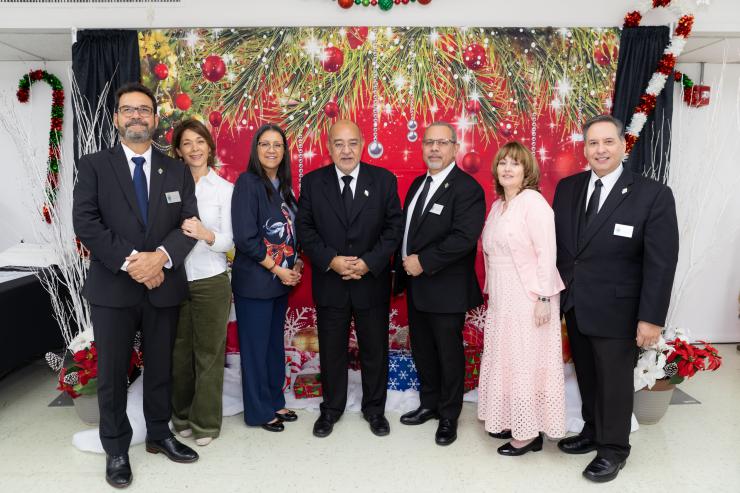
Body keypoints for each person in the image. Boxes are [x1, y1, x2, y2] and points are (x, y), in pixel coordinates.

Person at [73, 82, 199, 489]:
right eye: (128, 109)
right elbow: (86, 223)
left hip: (164, 285)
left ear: (155, 119)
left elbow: (189, 224)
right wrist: (134, 262)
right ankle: (116, 448)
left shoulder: (176, 169)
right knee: (112, 373)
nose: (137, 116)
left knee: (161, 367)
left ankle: (159, 433)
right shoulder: (94, 166)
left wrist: (159, 258)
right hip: (113, 288)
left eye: (144, 110)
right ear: (116, 118)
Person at [552, 114, 679, 482]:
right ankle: (592, 430)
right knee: (588, 377)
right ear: (585, 149)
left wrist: (651, 318)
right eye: (593, 143)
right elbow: (564, 250)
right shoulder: (568, 188)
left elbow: (661, 263)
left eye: (608, 141)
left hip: (620, 310)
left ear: (624, 145)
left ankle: (613, 449)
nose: (600, 149)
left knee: (614, 382)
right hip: (576, 305)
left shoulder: (652, 194)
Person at [295, 120, 403, 438]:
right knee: (332, 351)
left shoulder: (383, 180)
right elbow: (305, 230)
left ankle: (375, 410)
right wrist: (332, 260)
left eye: (352, 143)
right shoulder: (313, 183)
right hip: (331, 282)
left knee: (374, 350)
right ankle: (331, 409)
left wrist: (369, 262)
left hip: (371, 282)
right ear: (328, 147)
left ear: (363, 144)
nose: (346, 150)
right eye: (339, 144)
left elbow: (394, 228)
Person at [395, 121, 486, 446]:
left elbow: (464, 238)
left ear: (455, 148)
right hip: (417, 287)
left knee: (448, 354)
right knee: (422, 350)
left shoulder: (467, 189)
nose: (434, 148)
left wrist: (423, 261)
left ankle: (449, 415)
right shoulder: (418, 183)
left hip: (446, 289)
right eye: (429, 142)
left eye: (442, 142)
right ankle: (429, 404)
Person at [477, 141, 566, 456]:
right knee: (506, 358)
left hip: (529, 296)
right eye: (503, 163)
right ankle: (510, 419)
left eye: (514, 163)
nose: (507, 168)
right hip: (502, 297)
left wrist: (543, 298)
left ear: (527, 170)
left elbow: (547, 252)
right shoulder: (498, 206)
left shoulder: (533, 202)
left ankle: (529, 433)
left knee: (526, 361)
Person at [231, 124, 302, 432]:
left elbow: (293, 233)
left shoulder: (284, 187)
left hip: (280, 282)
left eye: (277, 145)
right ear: (256, 149)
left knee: (273, 346)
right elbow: (245, 238)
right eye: (265, 144)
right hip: (256, 282)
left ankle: (274, 400)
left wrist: (297, 264)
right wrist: (277, 269)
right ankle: (258, 411)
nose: (271, 150)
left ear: (284, 151)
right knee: (255, 349)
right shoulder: (248, 183)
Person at [169, 118, 234, 446]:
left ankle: (205, 423)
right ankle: (180, 416)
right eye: (187, 143)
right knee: (179, 353)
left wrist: (206, 234)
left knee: (209, 354)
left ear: (209, 146)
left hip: (211, 280)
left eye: (199, 141)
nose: (194, 148)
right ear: (178, 151)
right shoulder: (168, 187)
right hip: (175, 279)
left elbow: (230, 242)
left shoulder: (224, 189)